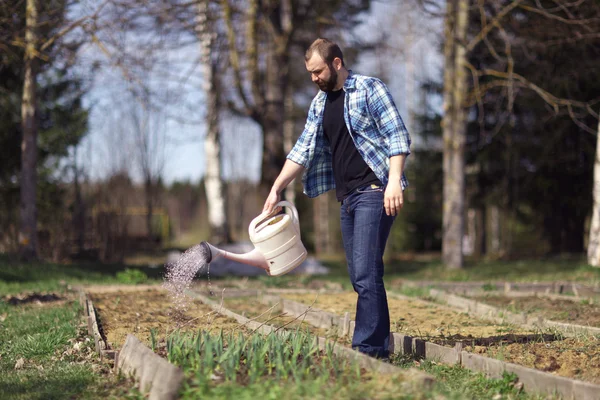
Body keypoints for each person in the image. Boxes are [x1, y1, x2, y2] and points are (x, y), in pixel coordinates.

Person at [262, 38, 411, 359]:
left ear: (337, 63)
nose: (314, 78)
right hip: (348, 199)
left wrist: (394, 181)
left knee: (366, 272)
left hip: (375, 190)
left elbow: (397, 134)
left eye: (318, 71)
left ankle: (368, 350)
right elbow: (302, 149)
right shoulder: (319, 103)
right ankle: (377, 345)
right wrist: (276, 187)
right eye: (310, 73)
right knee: (361, 273)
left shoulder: (369, 89)